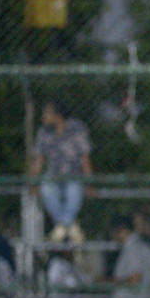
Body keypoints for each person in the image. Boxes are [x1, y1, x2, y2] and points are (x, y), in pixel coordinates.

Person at [30, 102, 93, 244]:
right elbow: (39, 159)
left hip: (73, 173)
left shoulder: (76, 128)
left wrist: (89, 183)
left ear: (57, 116)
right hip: (53, 173)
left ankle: (61, 228)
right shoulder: (43, 131)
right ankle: (69, 226)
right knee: (46, 189)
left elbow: (85, 158)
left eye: (47, 113)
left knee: (74, 190)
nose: (43, 117)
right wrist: (34, 183)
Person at [108, 213, 150, 298]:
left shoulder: (132, 249)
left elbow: (134, 279)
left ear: (121, 230)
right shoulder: (143, 247)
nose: (112, 236)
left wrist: (110, 282)